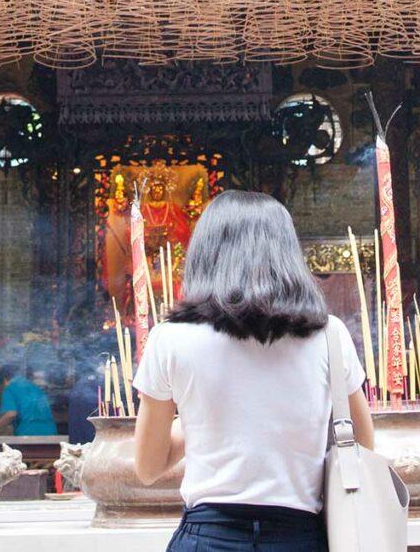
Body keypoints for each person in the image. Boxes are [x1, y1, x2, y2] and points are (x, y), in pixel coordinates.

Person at [133, 190, 373, 552]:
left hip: (207, 538)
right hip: (299, 538)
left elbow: (148, 467)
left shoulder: (170, 339)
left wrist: (204, 420)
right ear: (287, 254)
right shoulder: (329, 336)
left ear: (205, 254)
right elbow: (365, 446)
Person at [0, 364, 58, 436]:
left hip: (29, 433)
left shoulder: (10, 388)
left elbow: (11, 414)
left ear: (4, 380)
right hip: (51, 432)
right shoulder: (36, 388)